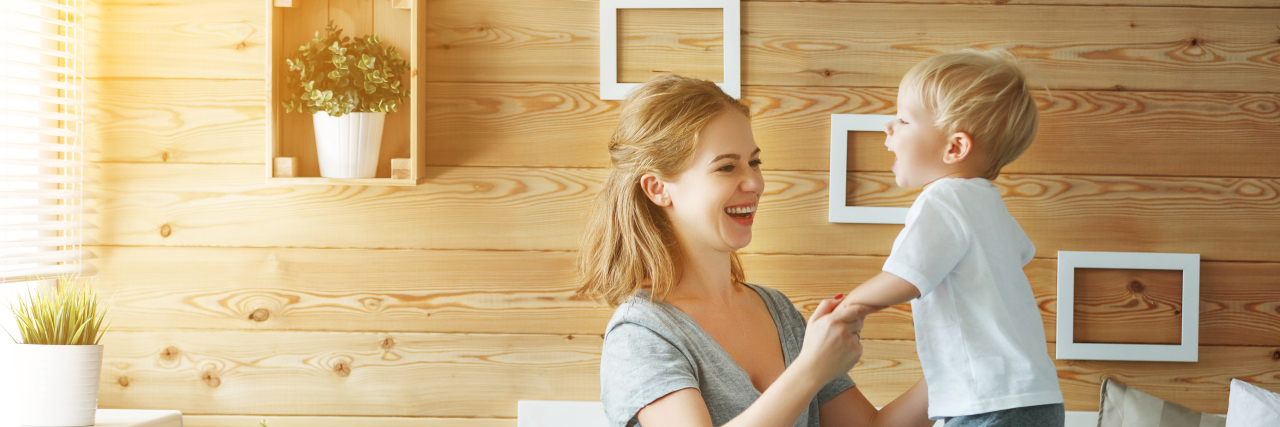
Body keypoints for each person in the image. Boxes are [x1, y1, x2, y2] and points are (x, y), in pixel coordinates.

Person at [576, 74, 932, 427]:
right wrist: (810, 370)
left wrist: (965, 361)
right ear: (658, 188)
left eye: (755, 162)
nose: (755, 183)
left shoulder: (776, 310)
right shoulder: (642, 333)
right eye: (727, 167)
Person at [834, 49, 1065, 426]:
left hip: (985, 402)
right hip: (1038, 398)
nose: (887, 128)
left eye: (904, 120)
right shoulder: (989, 205)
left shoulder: (944, 198)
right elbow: (1020, 254)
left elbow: (906, 277)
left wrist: (851, 305)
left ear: (954, 147)